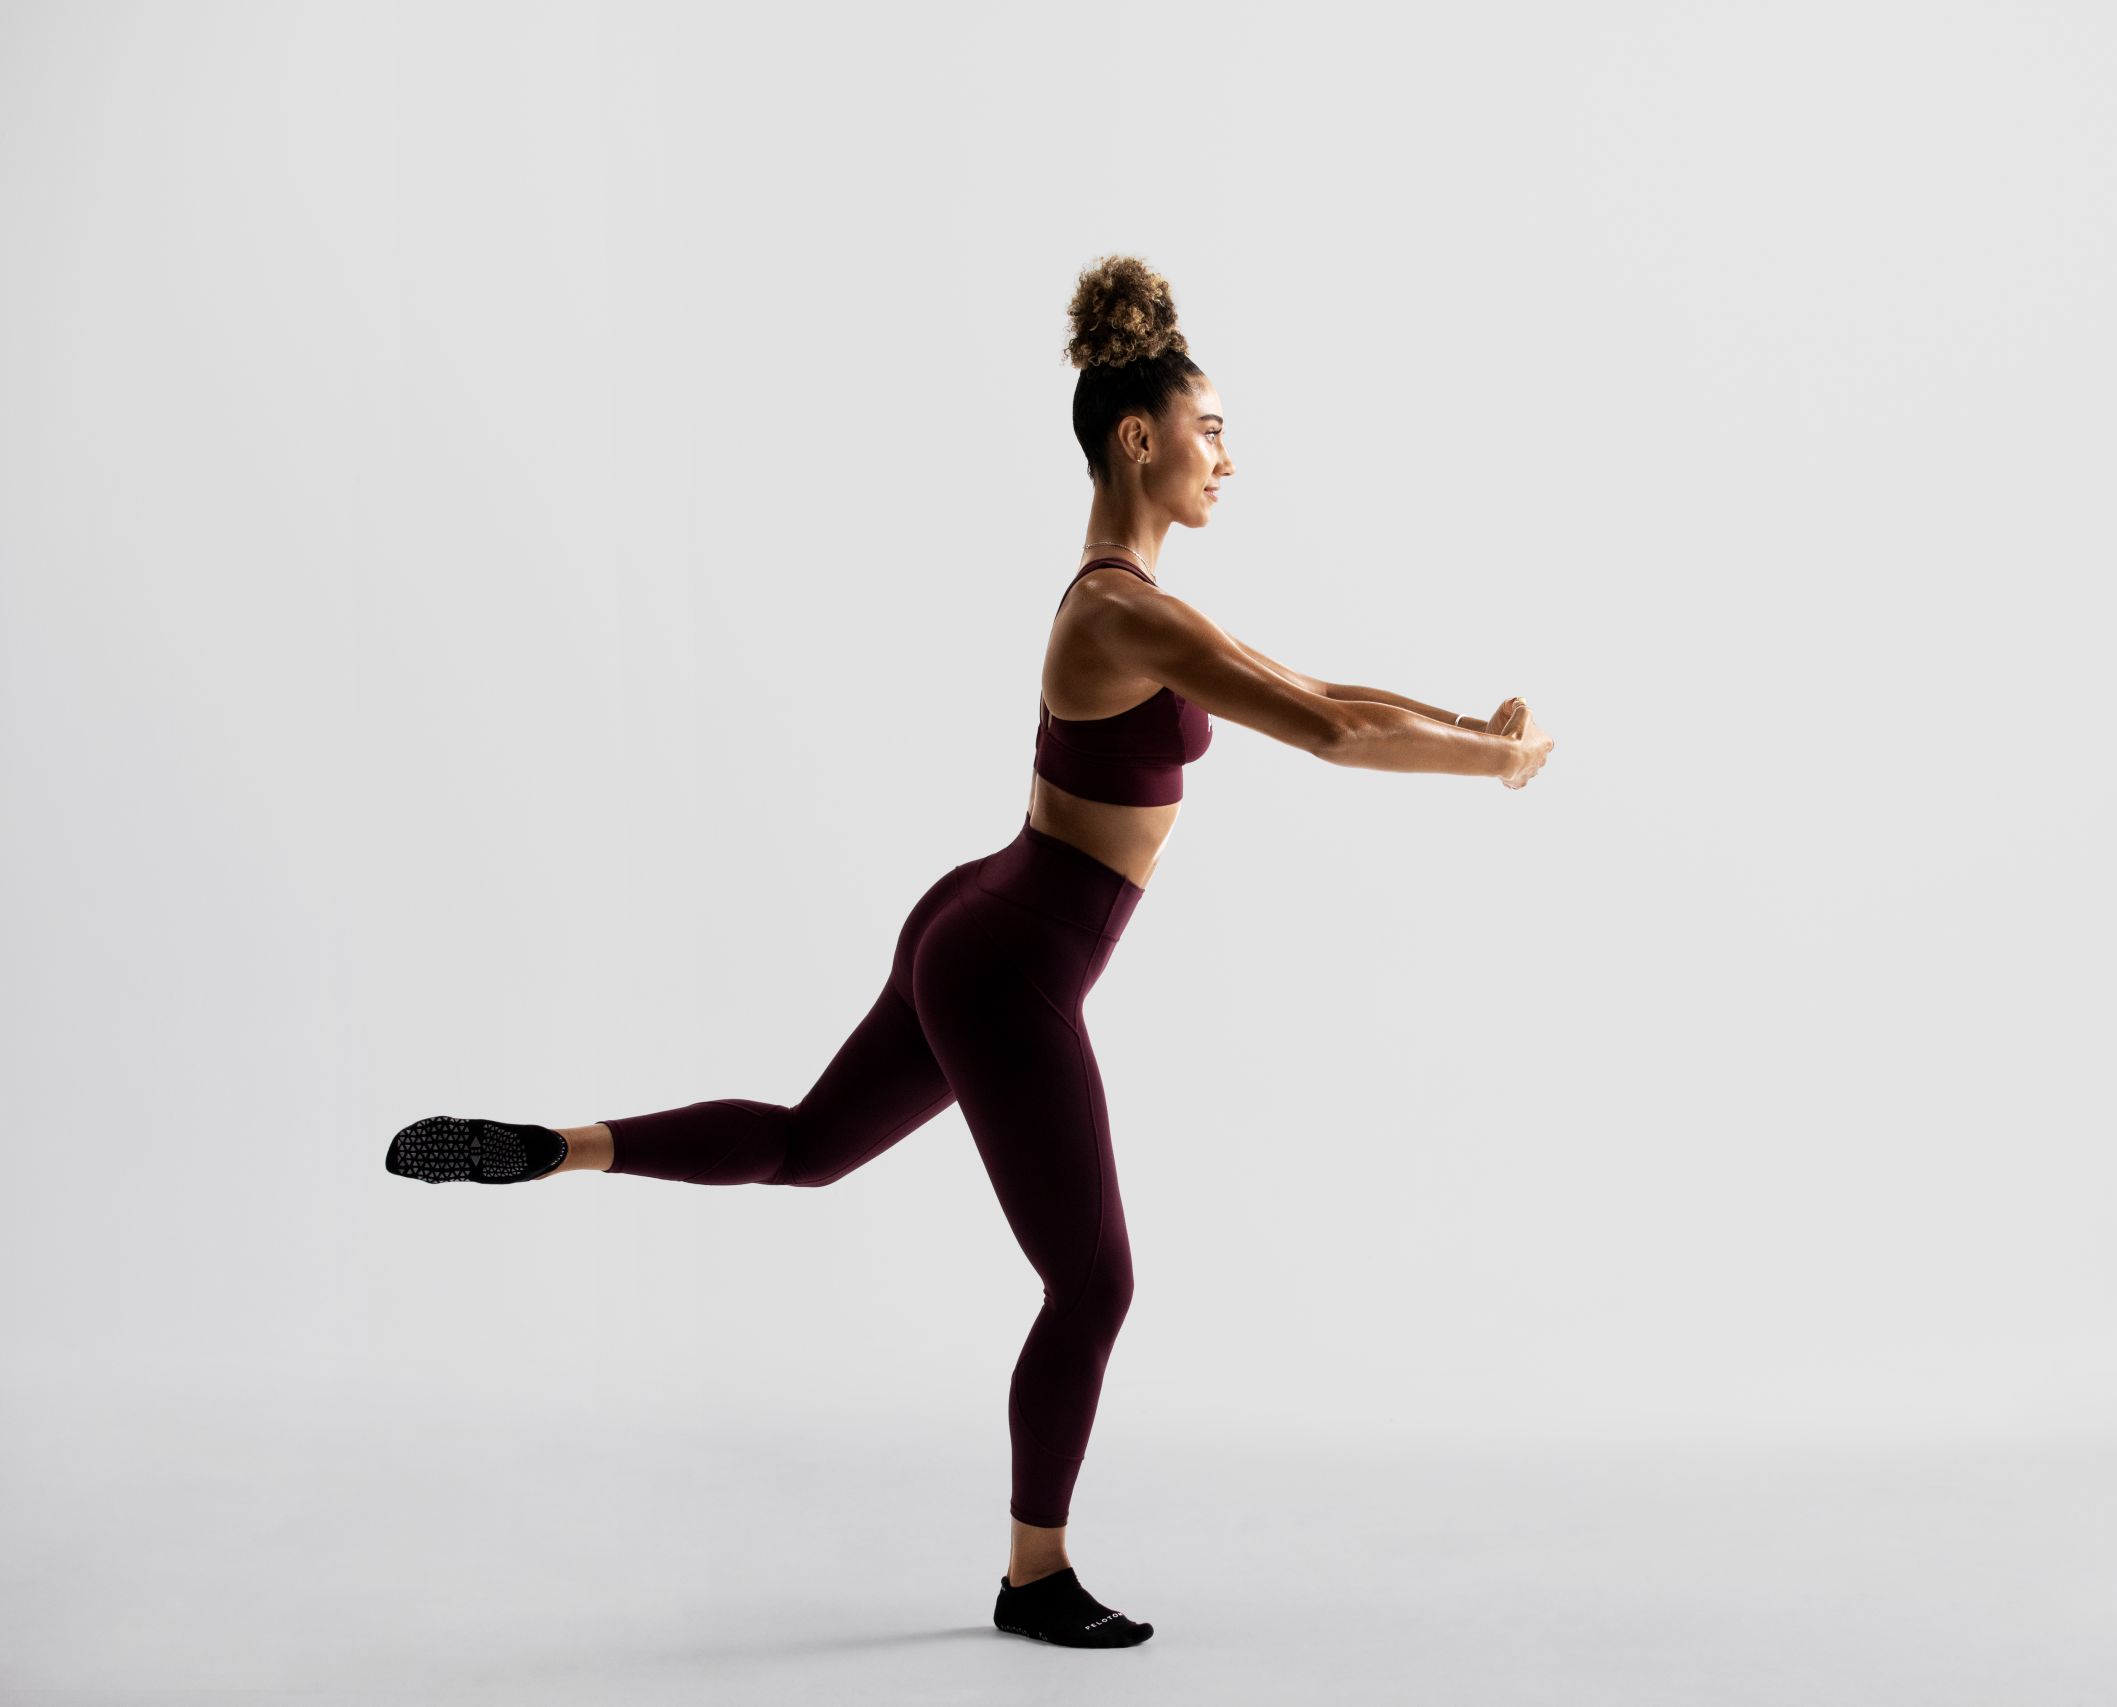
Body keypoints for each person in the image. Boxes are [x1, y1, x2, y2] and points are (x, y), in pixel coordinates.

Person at [383, 254, 1553, 1648]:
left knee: (809, 1146)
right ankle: (1033, 1577)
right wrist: (1493, 768)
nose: (1230, 456)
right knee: (1094, 1284)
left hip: (982, 915)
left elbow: (1318, 687)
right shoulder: (1121, 611)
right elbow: (1332, 732)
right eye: (1213, 429)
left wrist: (1478, 729)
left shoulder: (1132, 598)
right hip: (1010, 960)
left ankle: (553, 1146)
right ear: (1141, 438)